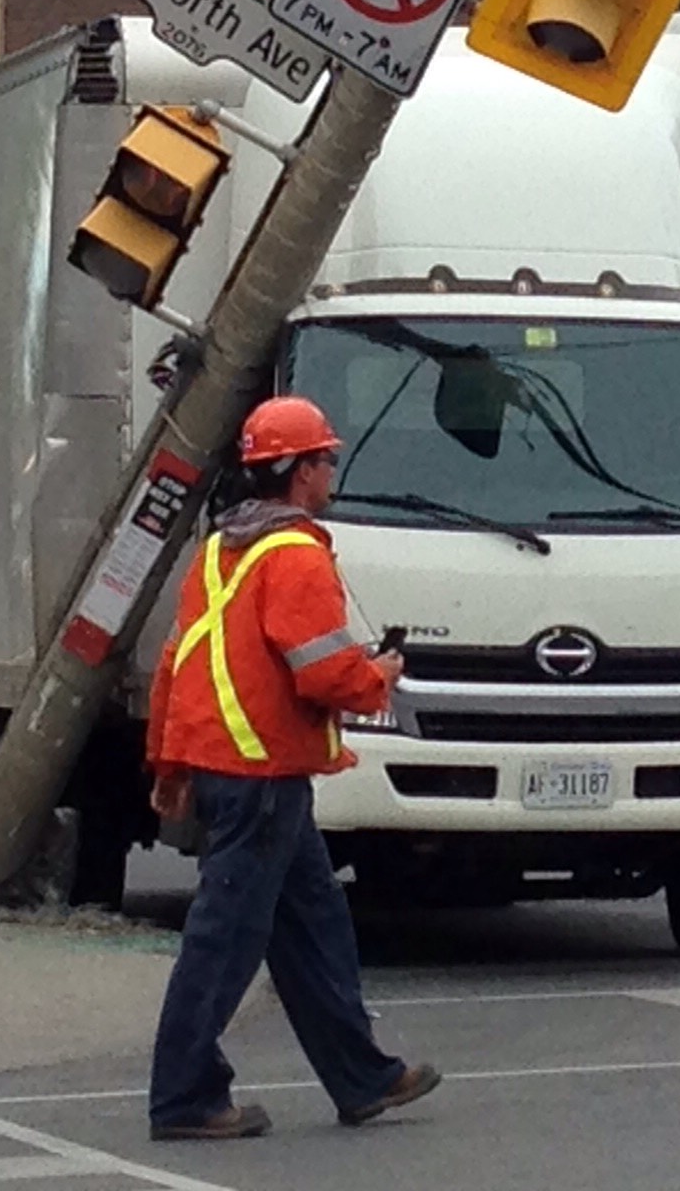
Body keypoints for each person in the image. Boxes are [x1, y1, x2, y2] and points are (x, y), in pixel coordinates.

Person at [144, 395, 441, 1142]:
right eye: (327, 459)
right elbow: (322, 675)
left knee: (312, 927)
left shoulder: (220, 549)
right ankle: (185, 1097)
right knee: (227, 938)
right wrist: (380, 674)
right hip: (261, 774)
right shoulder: (298, 555)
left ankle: (363, 1076)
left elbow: (178, 661)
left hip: (232, 765)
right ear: (302, 471)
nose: (332, 470)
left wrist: (168, 759)